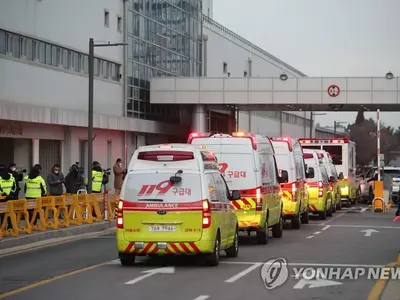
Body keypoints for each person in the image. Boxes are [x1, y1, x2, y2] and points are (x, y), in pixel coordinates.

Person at [0, 164, 17, 229]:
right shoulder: (11, 176)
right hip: (10, 198)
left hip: (1, 198)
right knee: (10, 212)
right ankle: (10, 227)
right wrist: (11, 194)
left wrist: (3, 194)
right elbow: (14, 187)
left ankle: (2, 228)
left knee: (2, 214)